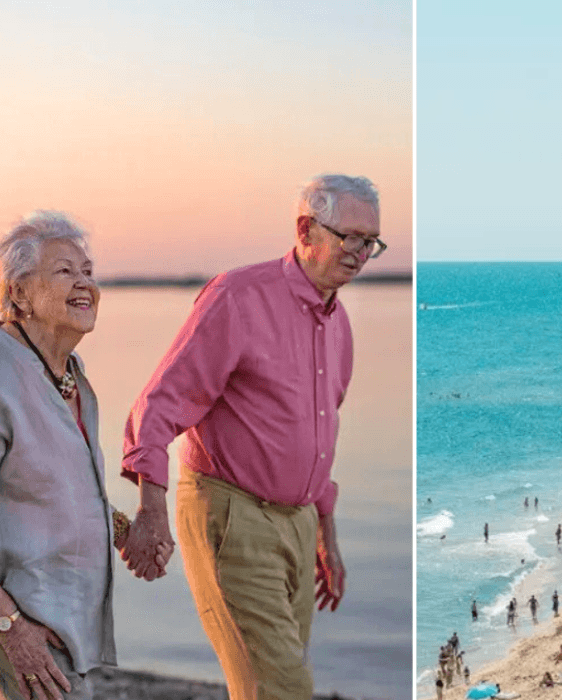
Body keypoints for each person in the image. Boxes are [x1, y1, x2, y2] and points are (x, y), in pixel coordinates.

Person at [121, 175, 383, 700]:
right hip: (232, 513)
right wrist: (151, 507)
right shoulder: (238, 297)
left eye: (370, 242)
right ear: (306, 229)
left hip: (300, 523)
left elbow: (322, 432)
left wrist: (325, 533)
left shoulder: (339, 324)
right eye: (349, 237)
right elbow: (161, 402)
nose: (360, 253)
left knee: (270, 684)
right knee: (281, 688)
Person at [0, 212, 167, 700]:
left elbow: (53, 486)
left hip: (64, 621)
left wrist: (124, 532)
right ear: (20, 294)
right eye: (65, 271)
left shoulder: (67, 371)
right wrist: (11, 626)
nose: (85, 284)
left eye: (89, 271)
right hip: (19, 626)